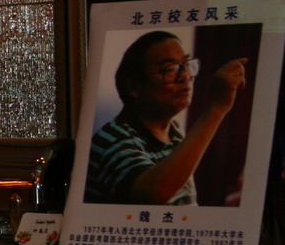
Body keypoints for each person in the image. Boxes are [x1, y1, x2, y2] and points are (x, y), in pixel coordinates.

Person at [85, 30, 247, 205]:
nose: (185, 76)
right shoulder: (112, 140)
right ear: (134, 87)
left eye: (186, 65)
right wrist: (216, 108)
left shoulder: (173, 130)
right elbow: (152, 195)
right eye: (170, 69)